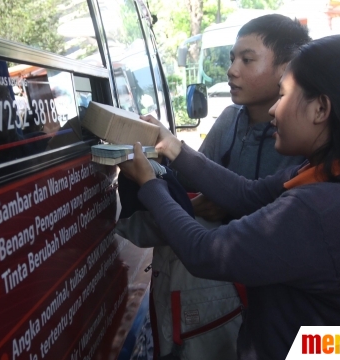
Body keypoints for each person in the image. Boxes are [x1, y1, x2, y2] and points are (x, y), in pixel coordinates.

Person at [119, 35, 340, 359]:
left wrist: (149, 184)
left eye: (282, 95)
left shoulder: (321, 208)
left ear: (321, 108)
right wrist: (173, 147)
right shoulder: (335, 172)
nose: (273, 109)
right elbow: (245, 193)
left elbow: (205, 252)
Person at [117, 14, 310, 359]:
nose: (232, 70)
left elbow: (255, 206)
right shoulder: (229, 121)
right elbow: (206, 186)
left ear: (288, 68)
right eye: (232, 58)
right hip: (219, 299)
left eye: (247, 60)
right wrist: (160, 155)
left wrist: (161, 185)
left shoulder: (307, 150)